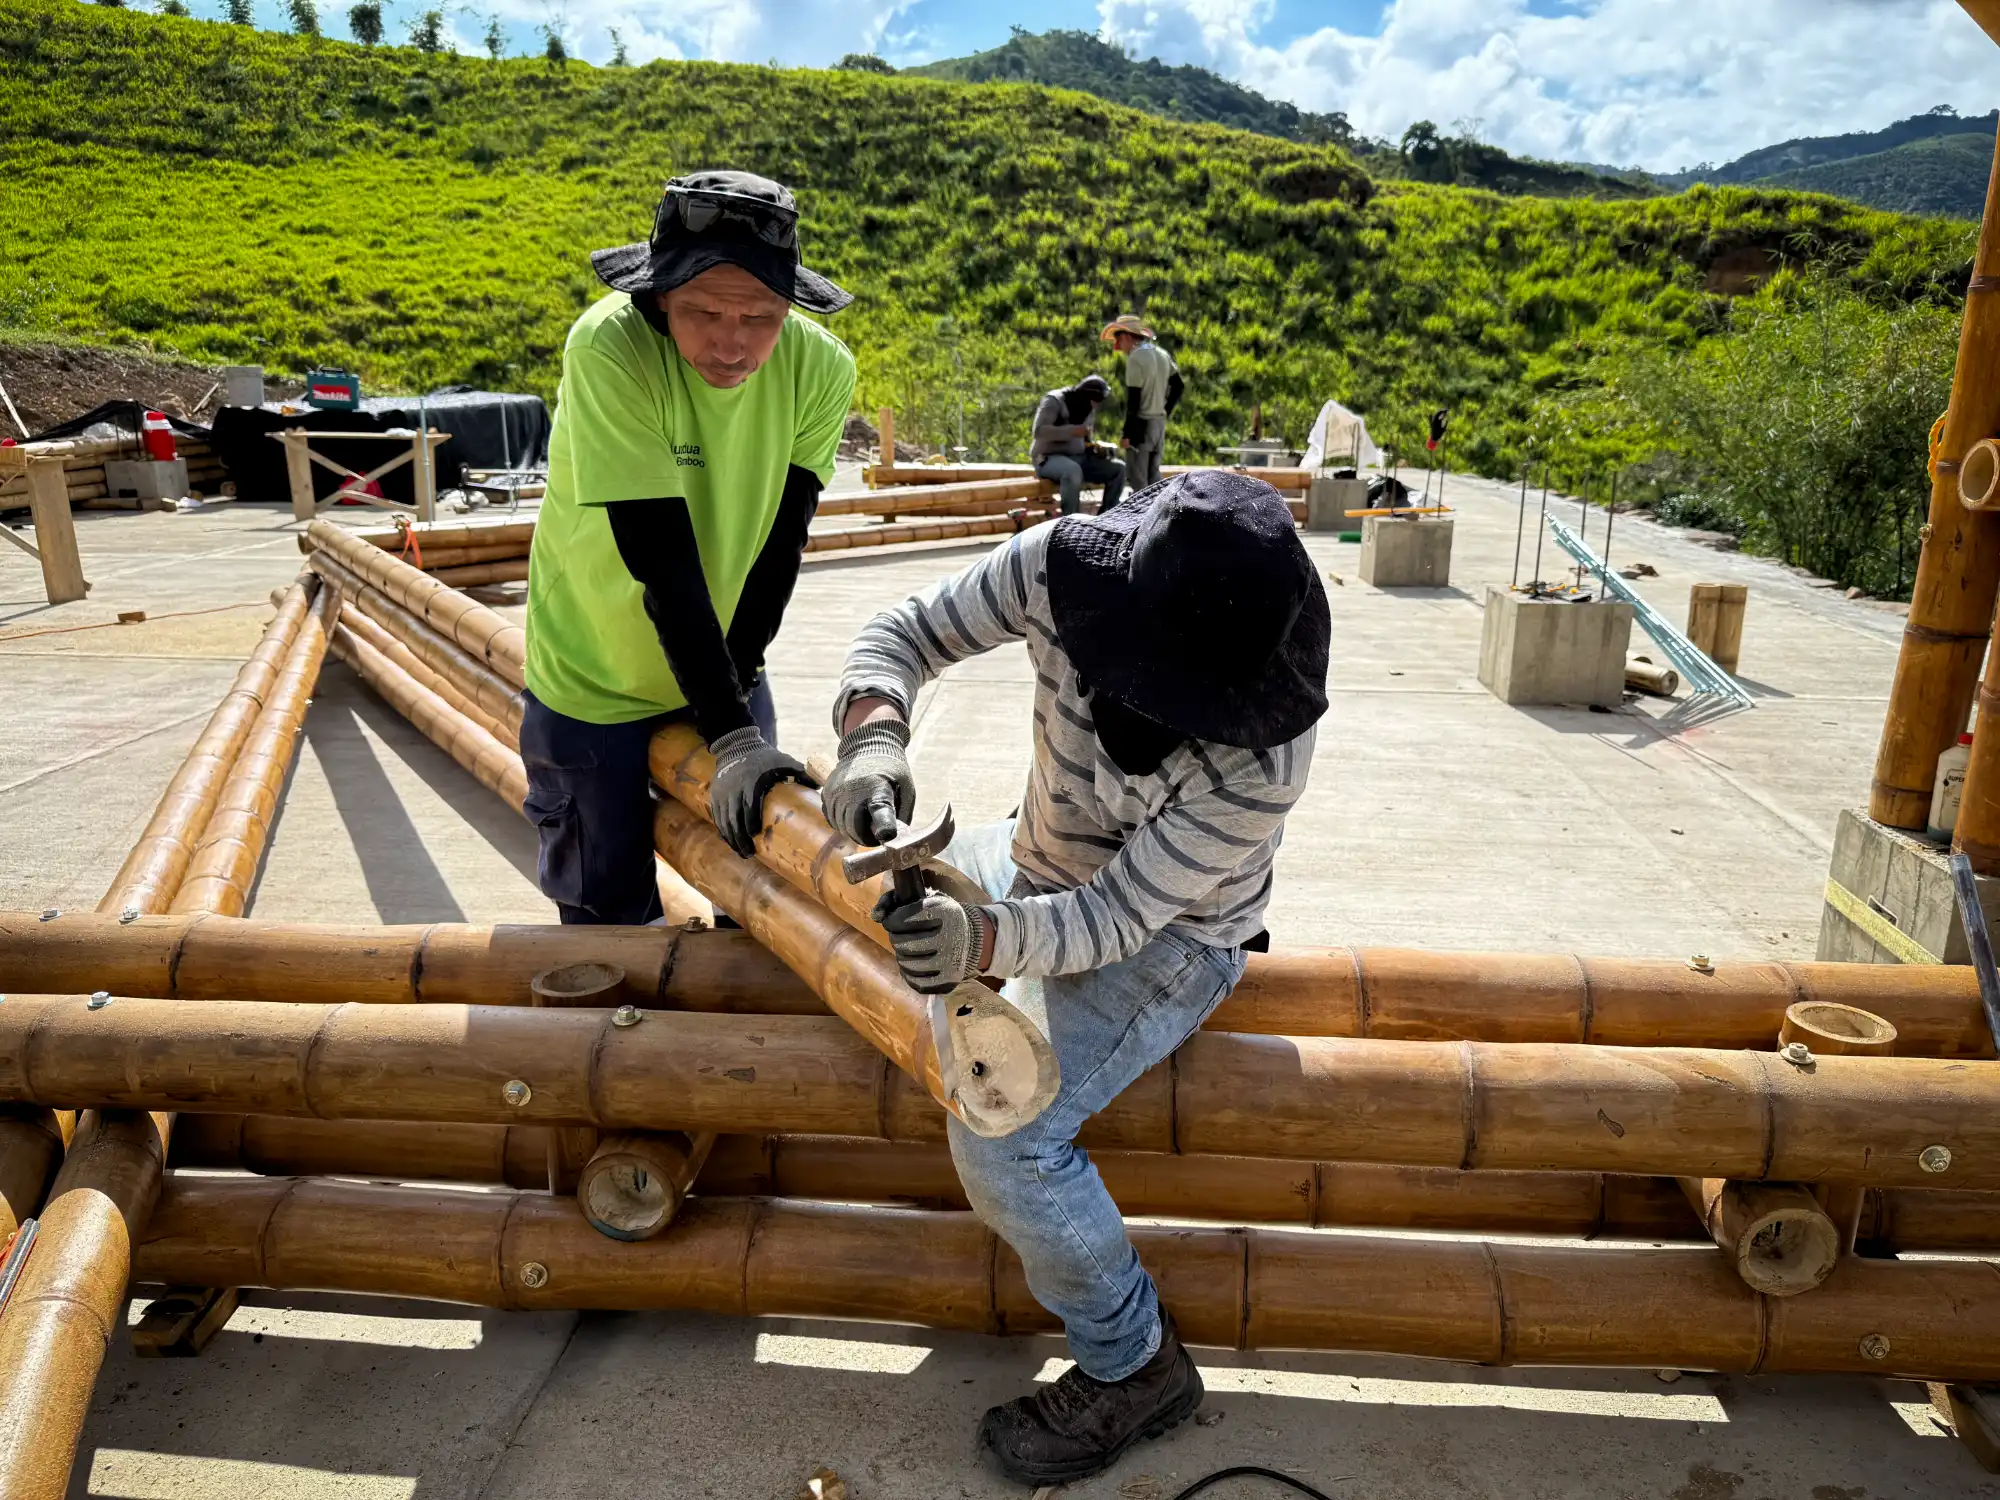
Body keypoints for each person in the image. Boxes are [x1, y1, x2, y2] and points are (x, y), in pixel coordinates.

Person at [819, 470, 1328, 1486]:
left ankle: (1133, 1362)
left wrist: (984, 942)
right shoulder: (1060, 568)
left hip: (1171, 935)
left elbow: (1114, 919)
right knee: (910, 978)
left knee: (1004, 1130)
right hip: (1037, 860)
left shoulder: (1259, 764)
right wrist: (872, 738)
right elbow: (906, 632)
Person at [519, 170, 857, 923]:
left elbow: (779, 547)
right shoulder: (611, 347)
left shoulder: (822, 368)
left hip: (727, 662)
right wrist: (733, 733)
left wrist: (731, 709)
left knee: (764, 894)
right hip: (594, 674)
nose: (732, 345)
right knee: (603, 909)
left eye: (761, 318)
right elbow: (659, 554)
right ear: (660, 294)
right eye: (703, 312)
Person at [1102, 314, 1182, 492]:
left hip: (1142, 425)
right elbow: (1178, 386)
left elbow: (1134, 400)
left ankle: (1142, 518)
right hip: (1159, 424)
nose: (1119, 347)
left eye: (1119, 340)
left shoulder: (1135, 358)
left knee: (1138, 479)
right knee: (1154, 476)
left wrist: (1127, 434)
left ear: (1126, 336)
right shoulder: (1162, 354)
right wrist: (1165, 410)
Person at [1029, 374, 1125, 516]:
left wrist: (1097, 448)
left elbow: (1085, 439)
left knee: (1118, 469)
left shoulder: (1087, 409)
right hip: (1047, 458)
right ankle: (1072, 520)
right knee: (1072, 471)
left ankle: (1107, 516)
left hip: (1079, 457)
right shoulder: (1054, 401)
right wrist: (1072, 431)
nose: (1096, 406)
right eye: (1094, 401)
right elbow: (1039, 431)